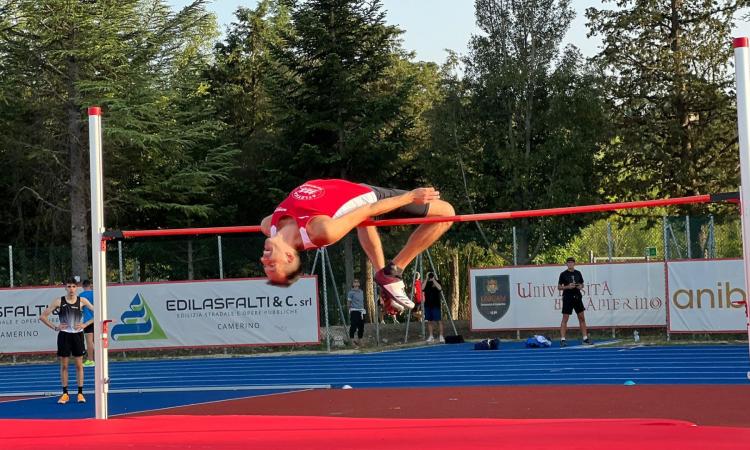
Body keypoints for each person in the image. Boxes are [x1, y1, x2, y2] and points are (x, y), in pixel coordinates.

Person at [260, 179, 455, 313]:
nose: (264, 259)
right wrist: (411, 196)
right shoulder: (321, 231)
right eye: (272, 265)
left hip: (348, 188)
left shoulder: (268, 225)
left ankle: (386, 278)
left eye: (265, 265)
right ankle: (395, 270)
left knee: (361, 219)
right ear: (289, 257)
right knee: (446, 213)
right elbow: (366, 210)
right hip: (370, 196)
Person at [39, 277, 95, 404]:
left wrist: (85, 324)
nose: (71, 289)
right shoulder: (59, 301)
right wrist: (55, 327)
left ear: (77, 288)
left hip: (77, 336)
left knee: (79, 365)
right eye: (69, 286)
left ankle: (80, 393)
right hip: (64, 336)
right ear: (65, 288)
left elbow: (98, 312)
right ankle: (65, 394)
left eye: (73, 287)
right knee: (64, 366)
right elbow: (42, 316)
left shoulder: (82, 300)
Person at [557, 257, 591, 347]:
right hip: (567, 297)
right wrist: (568, 287)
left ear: (574, 264)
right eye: (569, 263)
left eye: (572, 262)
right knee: (565, 318)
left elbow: (582, 284)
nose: (570, 264)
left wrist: (580, 286)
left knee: (582, 318)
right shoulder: (563, 274)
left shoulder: (578, 273)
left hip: (577, 297)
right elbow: (559, 287)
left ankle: (585, 338)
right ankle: (563, 339)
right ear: (566, 264)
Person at [423, 272, 444, 343]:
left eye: (431, 275)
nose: (430, 276)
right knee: (429, 321)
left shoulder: (437, 281)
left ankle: (441, 336)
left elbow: (440, 288)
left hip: (436, 305)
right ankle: (431, 336)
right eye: (429, 275)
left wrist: (433, 279)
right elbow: (422, 288)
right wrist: (426, 278)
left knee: (439, 321)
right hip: (428, 305)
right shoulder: (426, 282)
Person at [79, 279, 95, 367]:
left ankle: (90, 360)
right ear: (90, 285)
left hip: (87, 321)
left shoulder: (81, 296)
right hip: (97, 319)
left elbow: (79, 309)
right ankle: (101, 359)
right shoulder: (95, 294)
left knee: (89, 342)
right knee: (98, 341)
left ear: (83, 286)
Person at [346, 279, 366, 346]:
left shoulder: (361, 292)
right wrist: (350, 310)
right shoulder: (351, 292)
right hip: (354, 311)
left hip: (361, 311)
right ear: (353, 284)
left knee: (361, 326)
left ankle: (360, 340)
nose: (356, 283)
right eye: (355, 282)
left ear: (359, 284)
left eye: (357, 282)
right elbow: (348, 302)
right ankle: (351, 340)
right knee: (353, 326)